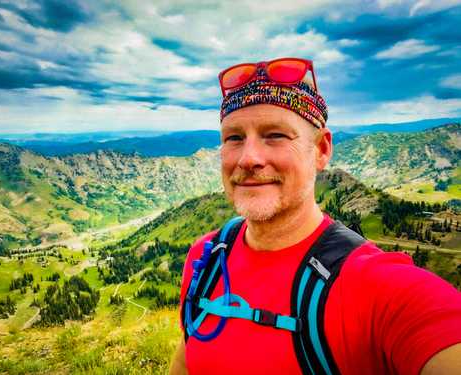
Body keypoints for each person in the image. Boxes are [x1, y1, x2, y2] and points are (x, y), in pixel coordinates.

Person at [169, 57, 461, 375]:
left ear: (321, 150)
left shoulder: (376, 288)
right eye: (234, 138)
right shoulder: (207, 257)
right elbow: (187, 360)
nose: (248, 158)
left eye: (276, 135)